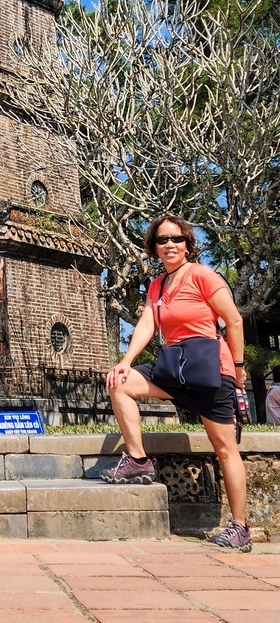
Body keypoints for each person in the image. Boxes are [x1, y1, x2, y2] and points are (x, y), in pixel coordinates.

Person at [103, 213, 251, 553]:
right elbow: (146, 325)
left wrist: (239, 368)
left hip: (211, 372)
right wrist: (125, 362)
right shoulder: (156, 285)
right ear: (154, 247)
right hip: (175, 369)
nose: (169, 244)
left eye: (176, 239)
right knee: (121, 383)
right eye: (162, 240)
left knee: (225, 448)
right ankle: (138, 460)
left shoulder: (203, 275)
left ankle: (240, 526)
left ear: (187, 243)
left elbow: (234, 321)